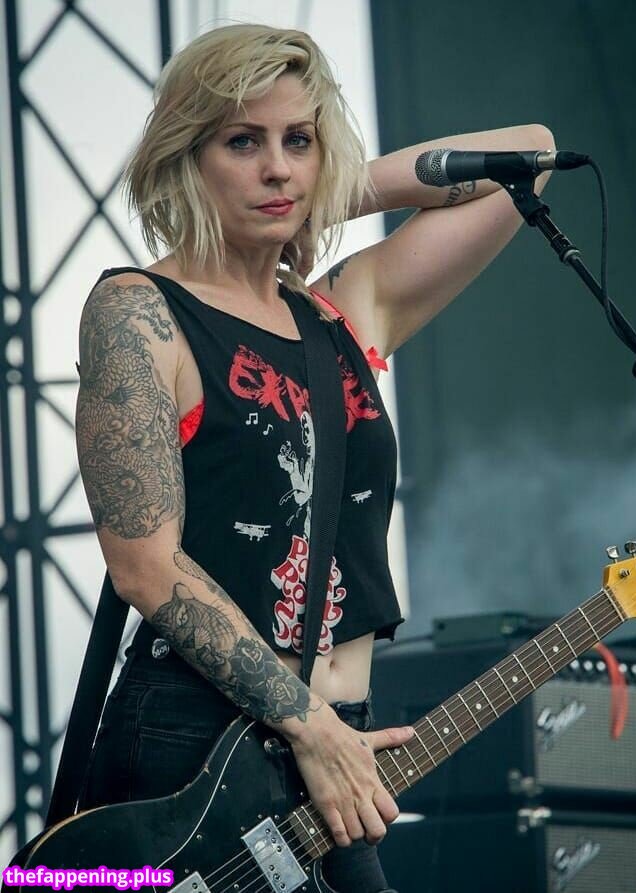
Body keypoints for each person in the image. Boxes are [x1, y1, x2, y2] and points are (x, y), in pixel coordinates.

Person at [74, 22, 553, 893]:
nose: (276, 168)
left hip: (337, 739)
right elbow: (144, 566)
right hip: (195, 744)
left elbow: (532, 156)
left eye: (299, 141)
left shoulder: (344, 311)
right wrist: (308, 723)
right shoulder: (140, 314)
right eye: (242, 142)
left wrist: (322, 192)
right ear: (187, 156)